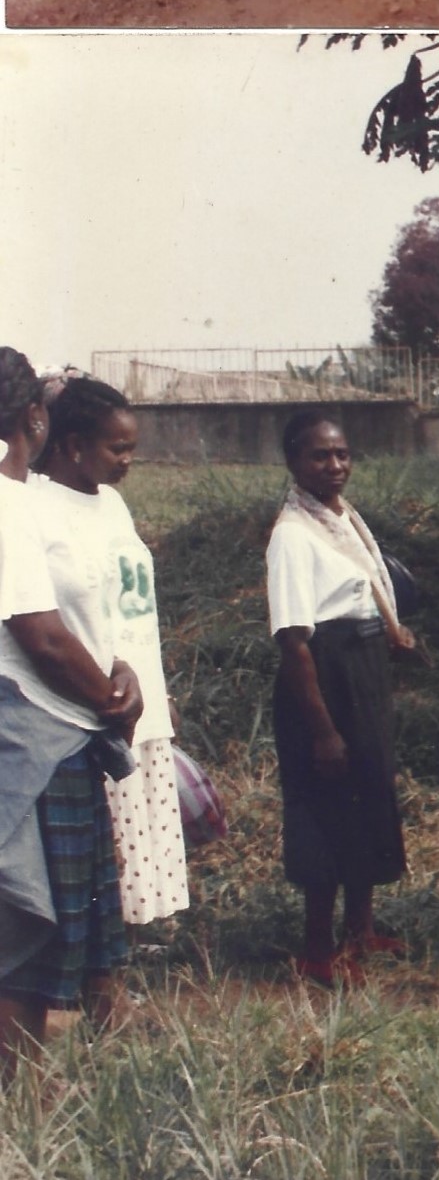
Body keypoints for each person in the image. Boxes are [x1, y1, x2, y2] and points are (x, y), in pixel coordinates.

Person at [0, 356, 141, 1065]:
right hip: (31, 730)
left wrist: (118, 681)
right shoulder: (10, 506)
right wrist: (112, 699)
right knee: (26, 914)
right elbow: (44, 637)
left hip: (54, 726)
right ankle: (18, 1092)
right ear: (36, 419)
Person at [266, 410, 418, 988]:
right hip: (322, 678)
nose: (334, 466)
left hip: (364, 671)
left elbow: (364, 593)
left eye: (342, 455)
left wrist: (390, 634)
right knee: (326, 805)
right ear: (293, 462)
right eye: (319, 456)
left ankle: (360, 930)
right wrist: (324, 730)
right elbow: (294, 640)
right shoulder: (292, 534)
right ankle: (316, 948)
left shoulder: (342, 520)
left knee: (369, 792)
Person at [33, 382, 187, 932]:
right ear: (73, 444)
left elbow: (130, 605)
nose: (128, 460)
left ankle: (117, 970)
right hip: (89, 708)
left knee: (135, 856)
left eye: (131, 447)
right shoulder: (36, 507)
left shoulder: (114, 505)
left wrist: (155, 687)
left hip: (138, 700)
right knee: (97, 859)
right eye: (117, 449)